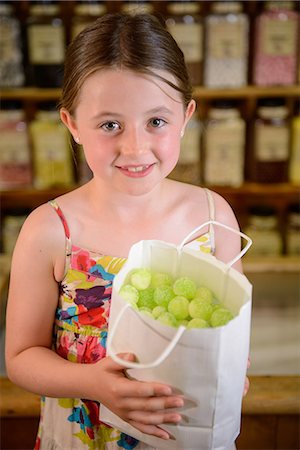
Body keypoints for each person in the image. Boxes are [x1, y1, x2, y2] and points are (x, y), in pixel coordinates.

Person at [5, 12, 249, 450]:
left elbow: (231, 328)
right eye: (110, 124)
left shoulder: (214, 217)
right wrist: (94, 384)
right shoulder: (50, 230)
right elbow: (21, 359)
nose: (135, 148)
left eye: (156, 121)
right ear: (72, 124)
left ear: (186, 115)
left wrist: (233, 370)